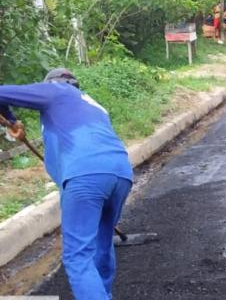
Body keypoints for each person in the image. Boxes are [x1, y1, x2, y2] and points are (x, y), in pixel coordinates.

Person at [0, 68, 133, 300]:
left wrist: (11, 120)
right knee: (102, 243)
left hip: (85, 176)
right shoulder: (93, 105)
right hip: (120, 173)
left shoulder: (56, 90)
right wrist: (13, 124)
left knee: (77, 256)